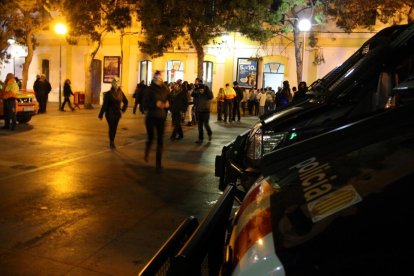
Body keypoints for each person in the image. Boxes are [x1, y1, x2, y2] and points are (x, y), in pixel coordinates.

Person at [142, 70, 170, 172]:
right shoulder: (149, 90)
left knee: (160, 140)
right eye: (158, 77)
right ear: (155, 78)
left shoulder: (165, 89)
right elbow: (144, 105)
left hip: (161, 117)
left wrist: (167, 103)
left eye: (161, 77)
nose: (160, 79)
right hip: (151, 117)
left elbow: (170, 99)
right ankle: (147, 151)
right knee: (151, 137)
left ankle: (158, 164)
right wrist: (155, 104)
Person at [98, 77, 128, 149]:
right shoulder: (108, 94)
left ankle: (112, 140)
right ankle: (111, 142)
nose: (116, 86)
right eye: (115, 84)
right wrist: (101, 114)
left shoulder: (121, 93)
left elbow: (126, 102)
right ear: (113, 85)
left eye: (118, 84)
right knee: (111, 127)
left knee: (114, 128)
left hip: (117, 114)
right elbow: (105, 105)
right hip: (109, 114)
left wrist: (123, 110)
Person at [192, 78, 213, 143]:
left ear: (204, 89)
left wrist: (207, 88)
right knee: (199, 126)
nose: (201, 91)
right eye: (200, 90)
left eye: (202, 90)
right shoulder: (198, 93)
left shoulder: (207, 94)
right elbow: (192, 94)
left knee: (206, 124)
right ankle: (200, 139)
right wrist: (195, 88)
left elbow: (211, 96)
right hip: (199, 111)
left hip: (206, 112)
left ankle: (209, 133)